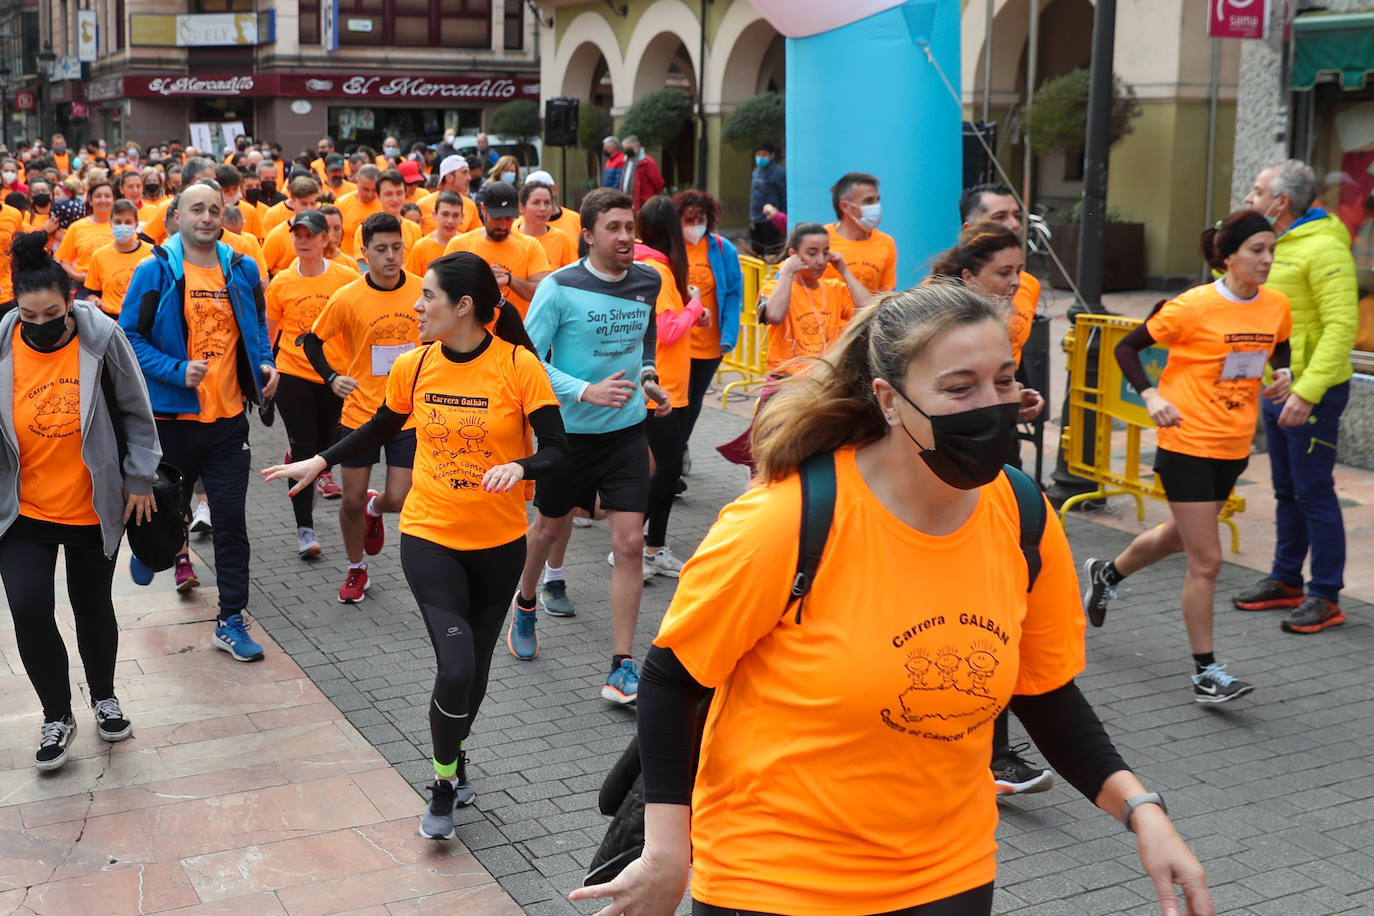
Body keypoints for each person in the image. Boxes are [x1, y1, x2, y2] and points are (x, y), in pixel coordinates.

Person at [571, 283, 1214, 916]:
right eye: (959, 388)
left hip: (951, 876)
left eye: (1004, 380)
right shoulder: (785, 521)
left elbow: (1042, 689)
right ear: (890, 400)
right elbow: (673, 677)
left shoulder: (1021, 513)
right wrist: (665, 851)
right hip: (777, 884)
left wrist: (1140, 808)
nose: (991, 406)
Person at [263, 251, 568, 838]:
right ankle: (443, 782)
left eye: (427, 295)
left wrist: (521, 465)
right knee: (455, 663)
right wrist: (321, 458)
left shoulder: (519, 367)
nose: (416, 304)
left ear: (464, 307)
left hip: (500, 542)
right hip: (429, 534)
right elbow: (380, 427)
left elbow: (558, 448)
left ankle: (456, 757)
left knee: (474, 671)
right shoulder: (414, 365)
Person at [1083, 211, 1292, 706]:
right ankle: (1206, 672)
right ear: (1228, 256)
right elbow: (1129, 348)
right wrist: (1151, 396)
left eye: (1271, 249)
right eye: (1257, 250)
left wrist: (1282, 376)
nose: (1266, 259)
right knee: (1208, 560)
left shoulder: (1277, 305)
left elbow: (1277, 349)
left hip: (1233, 444)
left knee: (1181, 536)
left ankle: (1106, 575)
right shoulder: (1191, 306)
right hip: (1186, 443)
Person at [1, 231, 161, 771]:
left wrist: (140, 477)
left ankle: (104, 697)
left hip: (92, 505)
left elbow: (138, 413)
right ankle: (56, 715)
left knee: (93, 606)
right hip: (21, 510)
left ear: (70, 301)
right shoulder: (1, 343)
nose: (41, 323)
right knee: (27, 609)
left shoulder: (103, 338)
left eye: (52, 312)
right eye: (30, 314)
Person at [514, 188, 671, 703]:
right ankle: (526, 598)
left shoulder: (648, 280)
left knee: (628, 544)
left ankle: (622, 664)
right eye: (615, 228)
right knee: (548, 528)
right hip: (569, 435)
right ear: (589, 234)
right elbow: (526, 359)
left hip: (627, 431)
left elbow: (644, 337)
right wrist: (584, 390)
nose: (627, 237)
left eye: (631, 227)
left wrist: (648, 378)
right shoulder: (558, 288)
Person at [120, 179, 279, 662]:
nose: (207, 217)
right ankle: (152, 550)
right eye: (197, 210)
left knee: (231, 523)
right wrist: (175, 370)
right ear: (178, 217)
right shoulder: (155, 273)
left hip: (230, 423)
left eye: (215, 209)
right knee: (170, 513)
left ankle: (231, 619)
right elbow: (128, 337)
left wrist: (265, 365)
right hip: (173, 422)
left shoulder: (244, 269)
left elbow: (255, 330)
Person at [930, 219, 1053, 792]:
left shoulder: (991, 319)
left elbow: (991, 388)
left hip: (983, 482)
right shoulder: (923, 319)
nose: (1014, 282)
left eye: (1018, 271)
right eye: (1003, 272)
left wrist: (1012, 396)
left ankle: (990, 749)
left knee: (993, 609)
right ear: (966, 275)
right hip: (927, 490)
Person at [1230, 160, 1359, 634]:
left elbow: (1341, 328)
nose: (1249, 197)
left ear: (1280, 202)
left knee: (1313, 492)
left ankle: (1325, 594)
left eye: (1257, 190)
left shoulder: (1324, 248)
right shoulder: (1274, 244)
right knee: (1286, 491)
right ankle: (1286, 578)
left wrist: (1306, 392)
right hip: (1278, 387)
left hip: (1312, 393)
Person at [301, 212, 423, 604]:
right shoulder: (348, 296)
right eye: (381, 249)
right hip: (360, 414)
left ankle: (377, 506)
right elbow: (312, 341)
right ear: (364, 252)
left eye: (397, 247)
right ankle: (356, 568)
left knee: (400, 499)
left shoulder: (423, 292)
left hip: (408, 414)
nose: (391, 256)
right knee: (349, 500)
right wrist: (332, 378)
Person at [263, 210, 354, 559]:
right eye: (297, 235)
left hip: (335, 377)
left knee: (329, 443)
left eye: (309, 235)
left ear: (324, 239)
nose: (302, 241)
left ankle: (312, 463)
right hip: (294, 372)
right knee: (305, 449)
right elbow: (269, 333)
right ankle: (305, 527)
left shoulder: (345, 278)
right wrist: (266, 371)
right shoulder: (282, 283)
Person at [633, 197, 705, 579]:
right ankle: (630, 542)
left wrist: (692, 310)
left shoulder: (656, 269)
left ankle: (653, 548)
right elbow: (668, 330)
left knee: (666, 469)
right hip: (657, 389)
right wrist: (694, 307)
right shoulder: (655, 272)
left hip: (669, 386)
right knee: (668, 469)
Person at [672, 189, 742, 447]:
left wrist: (729, 334)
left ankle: (681, 446)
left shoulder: (723, 249)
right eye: (688, 220)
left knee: (694, 399)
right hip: (678, 338)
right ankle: (674, 449)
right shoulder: (672, 249)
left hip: (710, 343)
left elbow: (734, 294)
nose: (695, 226)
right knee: (677, 398)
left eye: (700, 219)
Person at [760, 222, 868, 371]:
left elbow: (870, 311)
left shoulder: (835, 288)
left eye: (825, 252)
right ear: (793, 255)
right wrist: (787, 272)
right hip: (787, 379)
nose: (821, 261)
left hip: (826, 378)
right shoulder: (776, 287)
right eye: (812, 253)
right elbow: (774, 316)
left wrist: (844, 271)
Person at [960, 183, 1040, 366]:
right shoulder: (936, 292)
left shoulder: (1029, 285)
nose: (1014, 224)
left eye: (1017, 216)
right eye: (1000, 217)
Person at [443, 181, 550, 316]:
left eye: (508, 218)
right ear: (483, 209)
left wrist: (509, 280)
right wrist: (483, 283)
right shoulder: (459, 245)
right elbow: (445, 293)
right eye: (497, 218)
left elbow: (543, 292)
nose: (503, 225)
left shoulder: (531, 246)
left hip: (515, 333)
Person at [827, 171, 898, 293]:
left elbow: (887, 295)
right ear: (845, 206)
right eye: (869, 201)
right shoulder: (821, 240)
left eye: (877, 200)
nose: (876, 206)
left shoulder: (886, 242)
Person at [82, 199, 153, 318]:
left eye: (128, 222)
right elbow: (93, 293)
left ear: (136, 224)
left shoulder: (151, 253)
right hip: (111, 321)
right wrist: (94, 300)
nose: (123, 226)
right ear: (110, 223)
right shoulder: (99, 256)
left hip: (142, 321)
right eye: (118, 222)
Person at [55, 178, 116, 285]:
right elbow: (64, 261)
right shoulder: (76, 227)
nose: (103, 200)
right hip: (84, 285)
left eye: (107, 196)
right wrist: (77, 276)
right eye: (98, 196)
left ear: (113, 200)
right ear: (91, 201)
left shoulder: (121, 226)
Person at [351, 169, 423, 257]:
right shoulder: (364, 230)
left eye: (399, 193)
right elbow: (363, 266)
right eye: (389, 194)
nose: (395, 199)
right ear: (378, 196)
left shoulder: (414, 229)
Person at [262, 176, 323, 275]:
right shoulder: (276, 236)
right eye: (303, 204)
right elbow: (263, 272)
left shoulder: (323, 232)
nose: (309, 208)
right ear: (292, 203)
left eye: (313, 203)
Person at [516, 181, 577, 271]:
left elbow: (573, 274)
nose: (542, 208)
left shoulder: (561, 238)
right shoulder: (511, 235)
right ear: (521, 207)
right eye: (536, 203)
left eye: (547, 203)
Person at [407, 190, 470, 277]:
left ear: (462, 217)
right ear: (434, 215)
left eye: (455, 215)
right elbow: (411, 281)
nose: (450, 221)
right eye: (445, 214)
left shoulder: (468, 246)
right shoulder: (421, 247)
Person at [417, 155, 480, 237]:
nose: (469, 178)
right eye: (464, 173)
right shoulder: (422, 205)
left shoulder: (470, 206)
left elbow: (476, 238)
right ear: (449, 177)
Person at [747, 144, 787, 260]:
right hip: (755, 217)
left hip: (771, 219)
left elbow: (783, 196)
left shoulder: (778, 172)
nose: (760, 157)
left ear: (772, 155)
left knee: (772, 253)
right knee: (756, 253)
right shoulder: (756, 171)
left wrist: (781, 216)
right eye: (758, 154)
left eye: (764, 155)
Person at [337, 165, 383, 257]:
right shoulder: (341, 204)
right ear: (357, 181)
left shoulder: (384, 205)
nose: (370, 195)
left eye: (374, 190)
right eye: (365, 189)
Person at [520, 170, 581, 240]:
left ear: (554, 189)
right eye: (536, 202)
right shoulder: (517, 227)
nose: (542, 208)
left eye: (545, 187)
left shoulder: (576, 220)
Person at [619, 136, 664, 213]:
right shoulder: (626, 162)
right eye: (625, 149)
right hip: (628, 202)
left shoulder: (647, 162)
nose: (626, 151)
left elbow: (658, 183)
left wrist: (649, 198)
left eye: (629, 148)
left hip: (643, 204)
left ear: (637, 147)